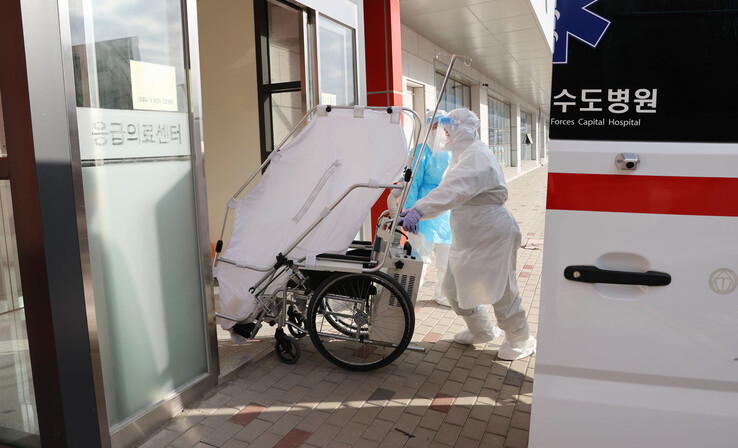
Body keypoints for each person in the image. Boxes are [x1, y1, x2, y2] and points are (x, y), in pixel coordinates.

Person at [397, 108, 536, 361]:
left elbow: (453, 189)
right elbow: (444, 188)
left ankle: (520, 339)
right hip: (469, 235)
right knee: (452, 288)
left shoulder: (477, 155)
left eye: (448, 128)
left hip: (492, 234)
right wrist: (416, 209)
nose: (444, 133)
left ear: (461, 129)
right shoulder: (461, 155)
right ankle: (481, 330)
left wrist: (419, 210)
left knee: (501, 290)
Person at [389, 110, 453, 306]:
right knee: (421, 259)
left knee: (447, 259)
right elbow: (412, 184)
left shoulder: (452, 151)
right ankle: (408, 296)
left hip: (447, 212)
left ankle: (442, 295)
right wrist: (410, 213)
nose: (439, 131)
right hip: (424, 211)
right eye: (434, 126)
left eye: (442, 127)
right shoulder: (420, 151)